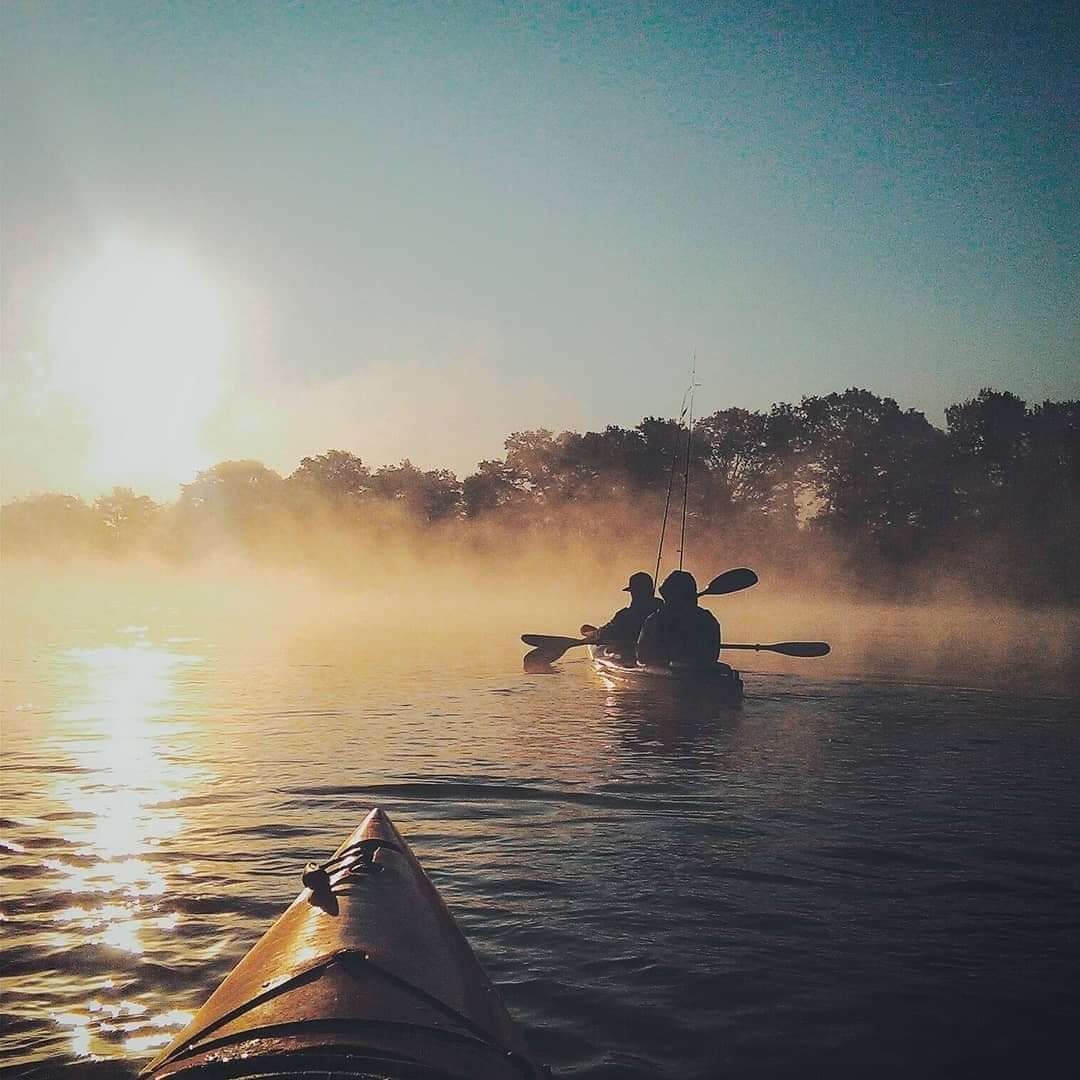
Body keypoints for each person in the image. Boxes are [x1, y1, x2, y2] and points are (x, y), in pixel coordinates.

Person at [636, 570, 722, 667]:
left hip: (668, 677)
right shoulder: (707, 619)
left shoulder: (655, 620)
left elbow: (642, 656)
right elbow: (712, 656)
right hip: (700, 676)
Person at [585, 572, 662, 662]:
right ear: (651, 591)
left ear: (633, 592)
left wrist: (597, 634)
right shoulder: (662, 610)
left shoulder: (625, 615)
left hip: (632, 654)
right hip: (656, 654)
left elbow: (609, 632)